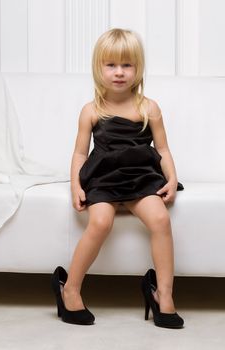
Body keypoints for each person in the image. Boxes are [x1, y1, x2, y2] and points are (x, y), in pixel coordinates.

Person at [51, 28, 184, 329]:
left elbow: (161, 148)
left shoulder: (149, 108)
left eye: (128, 65)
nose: (120, 73)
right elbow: (79, 154)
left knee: (161, 220)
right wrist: (75, 185)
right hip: (104, 178)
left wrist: (172, 178)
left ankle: (163, 293)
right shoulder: (91, 110)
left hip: (140, 178)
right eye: (111, 65)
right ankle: (69, 288)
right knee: (100, 222)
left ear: (138, 69)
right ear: (98, 68)